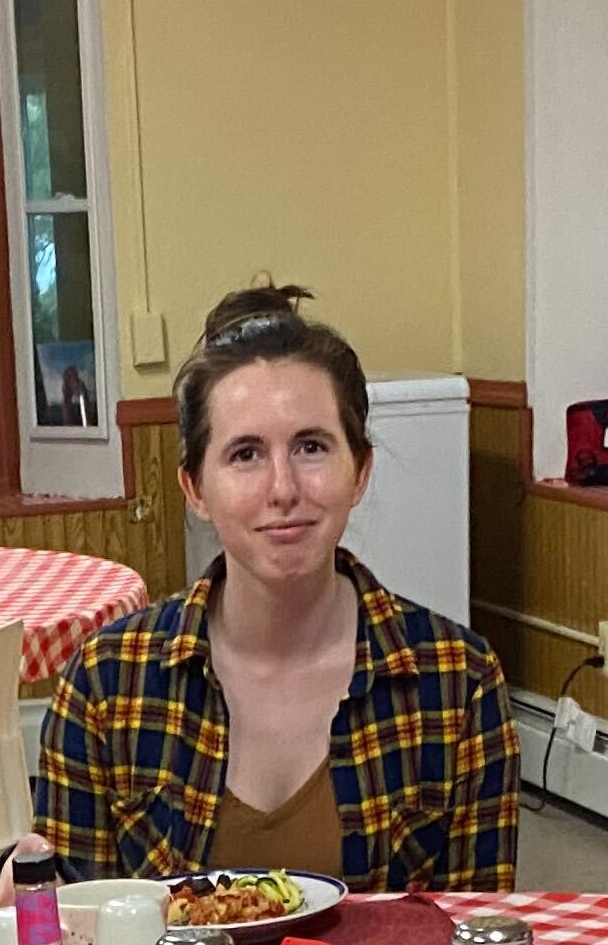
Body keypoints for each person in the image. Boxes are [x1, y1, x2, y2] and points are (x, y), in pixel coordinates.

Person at [34, 283, 518, 892]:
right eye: (245, 455)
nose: (283, 488)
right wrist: (30, 925)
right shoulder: (108, 681)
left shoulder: (458, 683)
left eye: (311, 447)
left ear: (360, 470)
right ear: (195, 489)